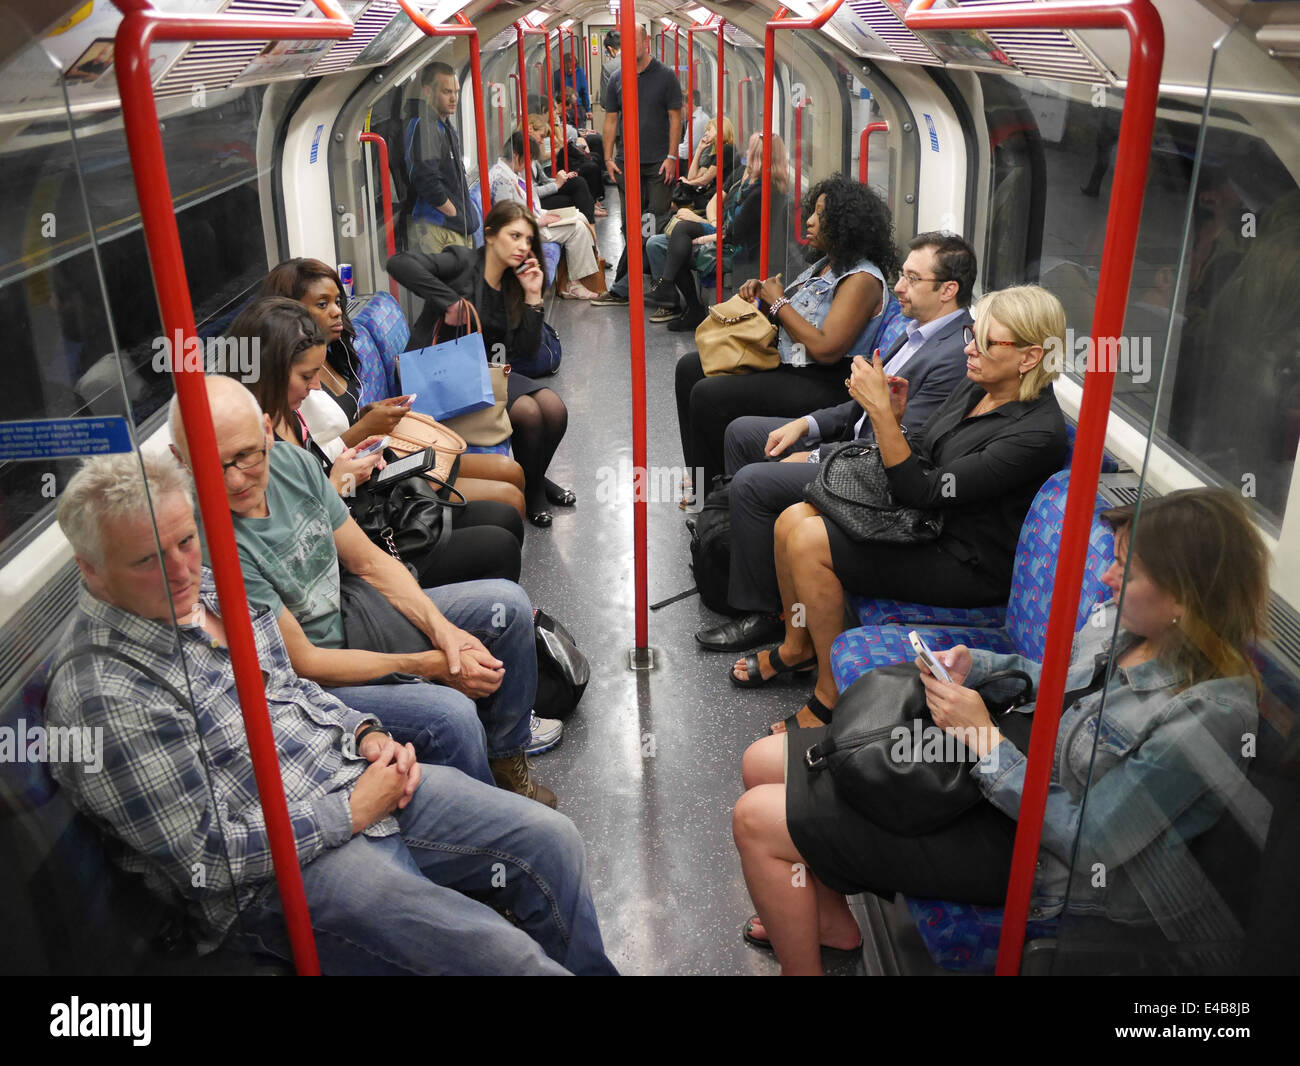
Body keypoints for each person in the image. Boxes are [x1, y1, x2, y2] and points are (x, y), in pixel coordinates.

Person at [46, 451, 616, 975]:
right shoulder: (104, 696)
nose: (180, 569)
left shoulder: (210, 588)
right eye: (148, 559)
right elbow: (208, 860)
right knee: (507, 957)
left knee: (552, 841)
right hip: (280, 876)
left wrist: (363, 732)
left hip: (347, 775)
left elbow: (289, 686)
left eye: (186, 542)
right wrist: (348, 812)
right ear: (90, 569)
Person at [733, 487, 1268, 975]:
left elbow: (1094, 843)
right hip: (1016, 774)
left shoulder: (1210, 712)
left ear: (1182, 599)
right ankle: (831, 923)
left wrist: (984, 739)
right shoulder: (1126, 623)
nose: (1106, 580)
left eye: (1125, 570)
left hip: (1047, 854)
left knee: (756, 820)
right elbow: (1058, 682)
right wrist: (980, 667)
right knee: (762, 760)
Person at [171, 376, 562, 805]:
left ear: (267, 429)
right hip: (318, 680)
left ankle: (504, 761)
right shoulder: (206, 541)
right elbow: (304, 661)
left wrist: (444, 632)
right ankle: (488, 818)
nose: (234, 480)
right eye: (212, 465)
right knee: (451, 716)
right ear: (180, 461)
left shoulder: (293, 465)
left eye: (246, 456)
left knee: (505, 606)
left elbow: (369, 562)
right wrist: (431, 664)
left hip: (356, 613)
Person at [735, 285, 1070, 735]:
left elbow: (924, 489)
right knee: (792, 518)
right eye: (972, 333)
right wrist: (894, 417)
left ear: (1029, 357)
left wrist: (881, 418)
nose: (968, 347)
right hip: (928, 526)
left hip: (965, 561)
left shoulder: (1035, 434)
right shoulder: (978, 387)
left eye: (985, 341)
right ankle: (797, 646)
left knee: (809, 542)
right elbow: (925, 450)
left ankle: (831, 696)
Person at [696, 233, 978, 653]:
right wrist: (807, 425)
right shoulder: (917, 332)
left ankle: (766, 612)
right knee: (742, 432)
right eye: (902, 275)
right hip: (853, 443)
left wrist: (816, 453)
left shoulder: (951, 355)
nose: (898, 287)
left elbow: (902, 445)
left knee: (754, 482)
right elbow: (859, 405)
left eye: (912, 279)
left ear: (948, 290)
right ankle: (741, 548)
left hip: (872, 471)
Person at [221, 297, 525, 587]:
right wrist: (338, 485)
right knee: (499, 545)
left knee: (505, 517)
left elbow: (321, 476)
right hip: (351, 555)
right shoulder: (250, 447)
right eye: (306, 376)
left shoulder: (291, 416)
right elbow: (293, 547)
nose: (315, 387)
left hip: (365, 518)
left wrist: (350, 466)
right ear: (272, 372)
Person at [675, 175, 901, 493]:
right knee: (689, 368)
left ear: (844, 224)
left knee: (708, 396)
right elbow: (794, 322)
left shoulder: (861, 279)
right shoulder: (825, 266)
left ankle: (715, 493)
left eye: (820, 215)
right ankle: (699, 476)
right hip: (792, 365)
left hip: (826, 382)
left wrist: (779, 303)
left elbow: (826, 349)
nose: (809, 221)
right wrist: (763, 300)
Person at [258, 257, 528, 521]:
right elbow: (308, 465)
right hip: (362, 487)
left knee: (511, 471)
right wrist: (363, 429)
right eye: (322, 304)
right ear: (290, 313)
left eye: (338, 301)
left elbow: (342, 420)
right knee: (508, 499)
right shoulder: (289, 385)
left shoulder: (333, 355)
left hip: (381, 458)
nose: (337, 311)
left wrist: (368, 413)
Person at [388, 201, 576, 528]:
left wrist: (533, 297)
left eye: (528, 239)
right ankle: (534, 492)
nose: (523, 246)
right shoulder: (461, 261)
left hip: (481, 369)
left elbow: (525, 351)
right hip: (436, 375)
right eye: (514, 235)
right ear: (489, 235)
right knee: (528, 413)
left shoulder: (512, 283)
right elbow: (399, 263)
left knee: (553, 407)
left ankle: (534, 479)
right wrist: (447, 301)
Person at [645, 131, 791, 326]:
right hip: (730, 234)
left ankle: (681, 299)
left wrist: (701, 240)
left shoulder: (761, 192)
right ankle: (669, 287)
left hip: (741, 251)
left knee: (679, 250)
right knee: (681, 231)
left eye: (750, 150)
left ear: (759, 157)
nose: (745, 153)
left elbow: (734, 233)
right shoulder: (748, 180)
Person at [594, 24, 683, 308]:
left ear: (646, 41)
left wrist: (672, 156)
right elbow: (610, 120)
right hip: (626, 165)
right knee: (631, 229)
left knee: (652, 228)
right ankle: (628, 288)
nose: (630, 48)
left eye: (635, 42)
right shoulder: (617, 79)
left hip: (658, 165)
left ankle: (657, 290)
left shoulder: (666, 77)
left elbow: (675, 118)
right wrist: (608, 157)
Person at [489, 131, 600, 300]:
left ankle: (577, 274)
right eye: (527, 159)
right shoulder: (501, 180)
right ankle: (573, 284)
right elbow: (507, 221)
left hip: (534, 217)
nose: (528, 164)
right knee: (577, 228)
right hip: (527, 229)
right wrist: (540, 221)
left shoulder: (512, 173)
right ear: (516, 154)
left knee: (579, 216)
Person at [404, 62, 480, 254]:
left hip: (452, 225)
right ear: (428, 91)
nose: (454, 98)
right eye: (447, 92)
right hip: (438, 228)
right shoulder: (425, 127)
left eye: (456, 91)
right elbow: (426, 179)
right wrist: (453, 213)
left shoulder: (444, 126)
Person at [552, 52, 592, 127]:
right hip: (564, 107)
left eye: (572, 68)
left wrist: (588, 110)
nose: (570, 70)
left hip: (578, 108)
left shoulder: (580, 72)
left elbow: (584, 92)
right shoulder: (558, 74)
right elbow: (554, 92)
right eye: (567, 68)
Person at [676, 90, 712, 171]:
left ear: (684, 105)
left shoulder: (697, 121)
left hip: (698, 167)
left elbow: (686, 152)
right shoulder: (696, 119)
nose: (676, 114)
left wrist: (669, 149)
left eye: (677, 109)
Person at [599, 31, 620, 116]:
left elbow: (605, 101)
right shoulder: (641, 62)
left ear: (610, 49)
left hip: (619, 119)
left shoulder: (608, 68)